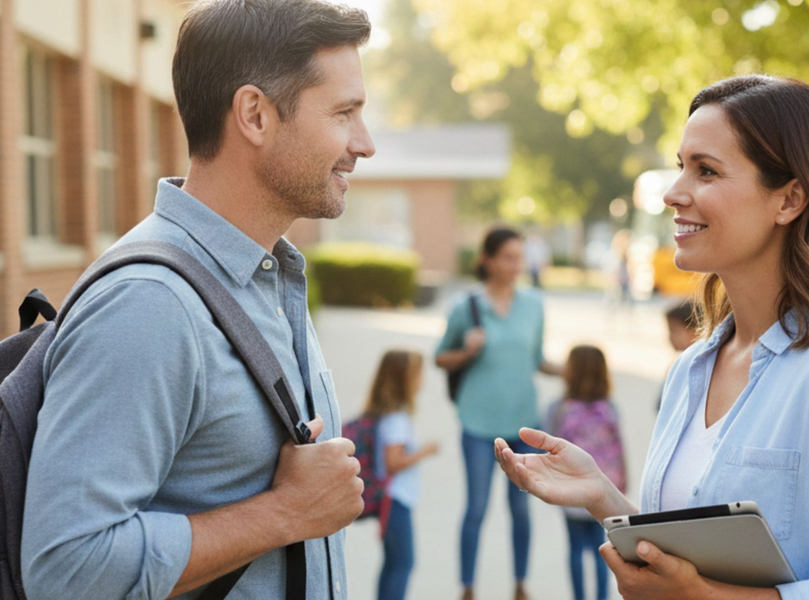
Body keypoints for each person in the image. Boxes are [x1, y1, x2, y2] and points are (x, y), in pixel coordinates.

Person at [494, 75, 809, 599]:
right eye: (681, 167)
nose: (674, 194)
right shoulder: (689, 369)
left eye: (707, 171)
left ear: (789, 200)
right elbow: (685, 562)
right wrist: (602, 496)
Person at [21, 1, 375, 598]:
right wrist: (284, 512)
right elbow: (66, 570)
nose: (364, 144)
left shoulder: (267, 274)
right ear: (255, 115)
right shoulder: (150, 305)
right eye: (344, 114)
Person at [436, 226, 561, 600]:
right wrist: (468, 352)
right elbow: (440, 356)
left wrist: (576, 371)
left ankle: (521, 585)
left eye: (519, 257)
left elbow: (537, 359)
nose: (516, 265)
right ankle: (468, 588)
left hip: (524, 426)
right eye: (508, 257)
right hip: (478, 425)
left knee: (521, 510)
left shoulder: (534, 304)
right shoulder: (467, 307)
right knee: (476, 508)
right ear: (487, 260)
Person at [545, 345, 626, 600]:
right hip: (602, 489)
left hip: (571, 490)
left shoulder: (558, 408)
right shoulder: (610, 407)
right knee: (602, 547)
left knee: (575, 548)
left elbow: (547, 444)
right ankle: (603, 597)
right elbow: (618, 446)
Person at [363, 351, 440, 600]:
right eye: (417, 375)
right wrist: (424, 451)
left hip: (395, 499)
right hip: (396, 500)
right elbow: (393, 461)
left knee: (394, 563)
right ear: (403, 380)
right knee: (403, 563)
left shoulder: (392, 414)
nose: (421, 380)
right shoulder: (396, 418)